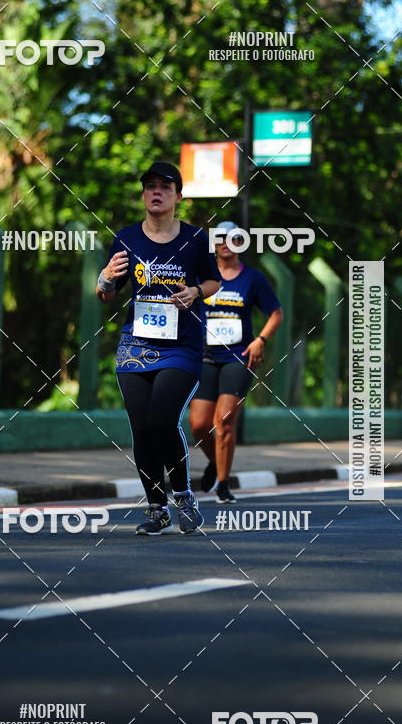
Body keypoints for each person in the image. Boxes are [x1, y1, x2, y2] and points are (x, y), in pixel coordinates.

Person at [96, 161, 221, 534]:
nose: (156, 192)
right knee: (142, 431)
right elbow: (106, 294)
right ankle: (156, 508)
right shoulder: (126, 238)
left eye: (165, 187)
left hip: (182, 346)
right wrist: (103, 279)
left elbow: (214, 281)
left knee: (162, 421)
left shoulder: (196, 238)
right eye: (149, 186)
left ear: (177, 196)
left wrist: (196, 292)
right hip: (135, 345)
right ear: (143, 195)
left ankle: (182, 494)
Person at [189, 222, 283, 503]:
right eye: (220, 238)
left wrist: (261, 340)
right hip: (203, 355)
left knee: (225, 422)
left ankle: (223, 484)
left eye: (233, 238)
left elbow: (276, 313)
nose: (226, 243)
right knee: (198, 425)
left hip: (238, 356)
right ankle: (214, 463)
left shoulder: (252, 278)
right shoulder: (202, 276)